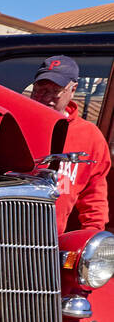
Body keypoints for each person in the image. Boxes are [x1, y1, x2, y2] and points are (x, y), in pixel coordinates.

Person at [28, 55, 110, 231]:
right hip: (1, 228)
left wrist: (91, 235)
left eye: (55, 90)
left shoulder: (90, 137)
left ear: (72, 90)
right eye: (40, 89)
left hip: (50, 240)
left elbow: (94, 196)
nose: (44, 97)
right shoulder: (17, 123)